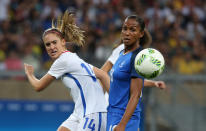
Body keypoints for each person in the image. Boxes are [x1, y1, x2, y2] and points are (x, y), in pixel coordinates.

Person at [24, 10, 110, 131]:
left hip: (93, 114)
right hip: (79, 112)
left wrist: (29, 74)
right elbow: (103, 74)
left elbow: (38, 86)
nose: (52, 47)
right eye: (48, 45)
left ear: (63, 42)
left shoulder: (63, 61)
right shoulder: (72, 57)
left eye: (55, 42)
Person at [105, 15, 165, 131]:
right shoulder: (121, 53)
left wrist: (122, 124)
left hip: (123, 117)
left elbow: (135, 94)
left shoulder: (138, 58)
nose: (127, 33)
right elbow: (127, 82)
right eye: (125, 28)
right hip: (113, 114)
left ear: (141, 34)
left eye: (132, 29)